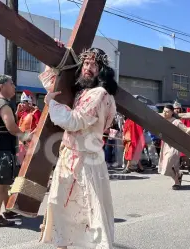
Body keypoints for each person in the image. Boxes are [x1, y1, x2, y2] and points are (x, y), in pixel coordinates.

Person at [38, 42, 117, 249]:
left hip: (88, 162)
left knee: (91, 213)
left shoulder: (99, 94)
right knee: (59, 206)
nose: (88, 68)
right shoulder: (81, 93)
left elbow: (75, 120)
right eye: (85, 64)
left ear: (102, 71)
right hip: (68, 158)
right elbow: (54, 85)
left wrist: (51, 104)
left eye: (94, 65)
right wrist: (53, 58)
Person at [0, 74, 33, 227]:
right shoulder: (3, 105)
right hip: (0, 151)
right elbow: (11, 128)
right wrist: (28, 136)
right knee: (0, 186)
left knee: (4, 184)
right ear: (2, 86)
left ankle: (8, 210)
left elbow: (2, 125)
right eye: (12, 84)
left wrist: (14, 115)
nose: (14, 87)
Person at [157, 105, 190, 190]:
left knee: (166, 166)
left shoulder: (176, 122)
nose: (165, 113)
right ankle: (178, 177)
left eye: (167, 111)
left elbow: (186, 131)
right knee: (166, 167)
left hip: (175, 146)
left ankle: (177, 179)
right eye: (164, 111)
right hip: (165, 145)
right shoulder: (162, 120)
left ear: (172, 112)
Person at [15, 90, 41, 165]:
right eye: (21, 102)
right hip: (21, 141)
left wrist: (30, 135)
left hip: (30, 141)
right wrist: (17, 111)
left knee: (28, 164)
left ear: (29, 102)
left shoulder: (36, 112)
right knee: (20, 164)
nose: (21, 104)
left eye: (23, 102)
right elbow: (14, 122)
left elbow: (39, 126)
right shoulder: (22, 112)